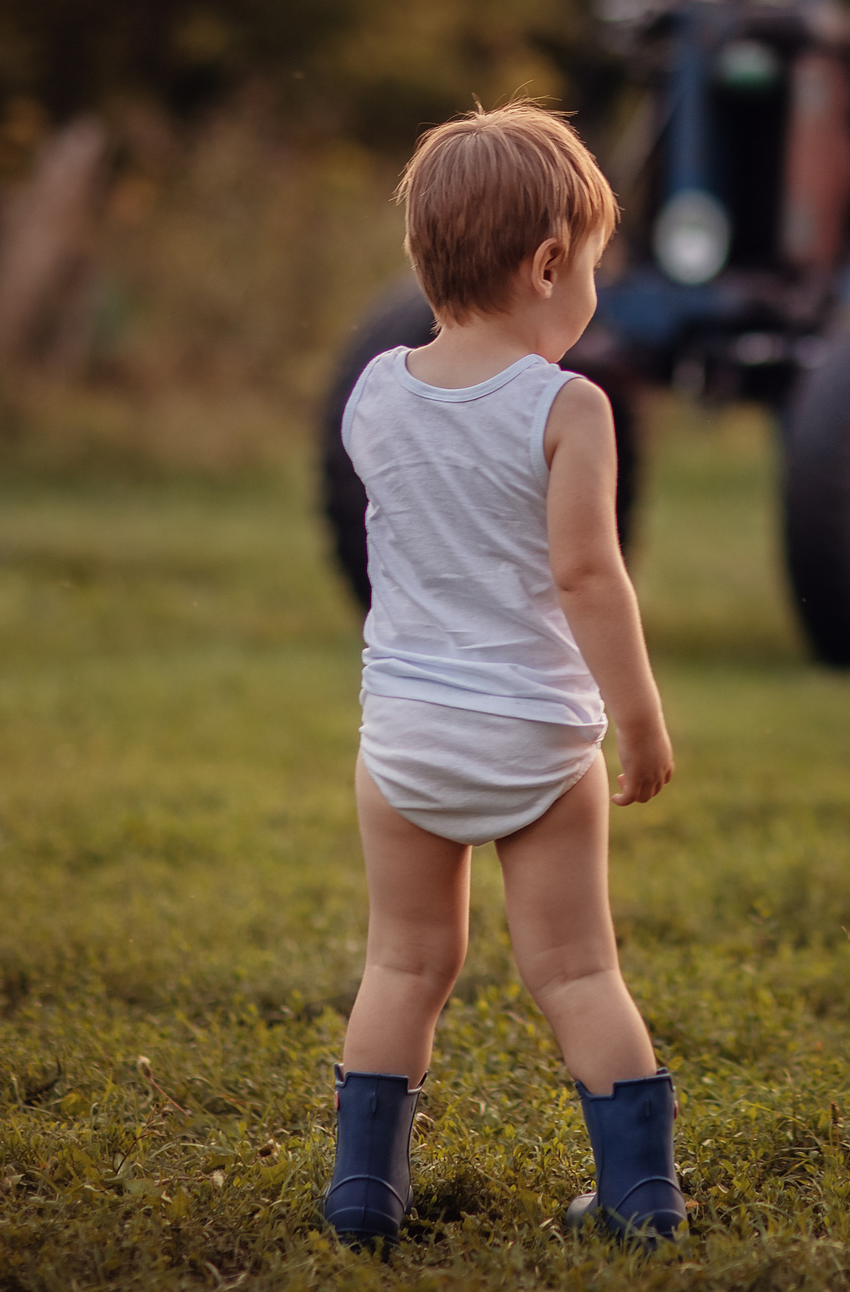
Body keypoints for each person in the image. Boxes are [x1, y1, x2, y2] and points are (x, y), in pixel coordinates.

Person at [325, 101, 681, 1247]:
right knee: (575, 974)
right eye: (592, 269)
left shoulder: (374, 394)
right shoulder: (570, 408)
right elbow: (587, 575)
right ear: (547, 264)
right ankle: (641, 1201)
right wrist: (638, 717)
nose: (593, 293)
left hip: (405, 740)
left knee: (402, 965)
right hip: (534, 738)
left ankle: (363, 1198)